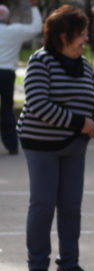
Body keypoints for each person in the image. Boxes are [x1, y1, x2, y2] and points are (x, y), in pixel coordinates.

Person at [17, 5, 94, 271]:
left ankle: (68, 264)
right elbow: (38, 104)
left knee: (71, 206)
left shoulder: (85, 66)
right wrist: (82, 123)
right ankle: (37, 266)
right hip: (40, 145)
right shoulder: (40, 61)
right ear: (63, 35)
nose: (86, 39)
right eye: (81, 34)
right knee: (43, 204)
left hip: (74, 146)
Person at [0, 0, 42, 155]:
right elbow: (37, 27)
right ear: (9, 18)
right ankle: (11, 144)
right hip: (7, 74)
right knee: (7, 108)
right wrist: (34, 7)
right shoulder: (14, 31)